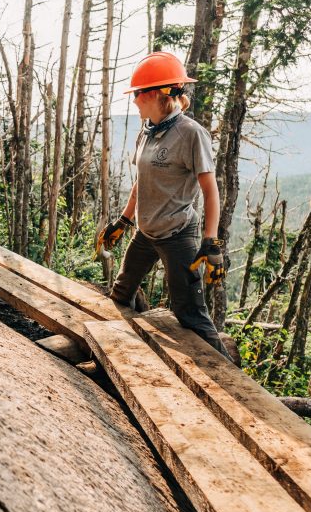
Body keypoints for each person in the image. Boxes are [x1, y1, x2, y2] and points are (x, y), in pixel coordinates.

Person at [98, 51, 231, 360]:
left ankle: (232, 382)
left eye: (138, 94)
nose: (134, 101)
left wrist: (211, 241)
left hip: (177, 235)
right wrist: (124, 220)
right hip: (145, 233)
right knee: (120, 293)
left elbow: (210, 190)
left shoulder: (190, 134)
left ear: (156, 94)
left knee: (190, 313)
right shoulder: (147, 132)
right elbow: (140, 182)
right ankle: (121, 355)